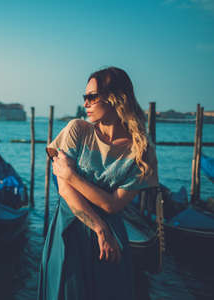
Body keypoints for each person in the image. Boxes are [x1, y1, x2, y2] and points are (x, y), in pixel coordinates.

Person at [38, 67, 158, 300]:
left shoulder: (142, 152)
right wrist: (100, 228)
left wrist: (72, 176)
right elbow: (64, 190)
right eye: (85, 97)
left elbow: (113, 205)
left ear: (116, 98)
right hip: (69, 230)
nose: (86, 103)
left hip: (111, 242)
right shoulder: (77, 130)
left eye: (91, 96)